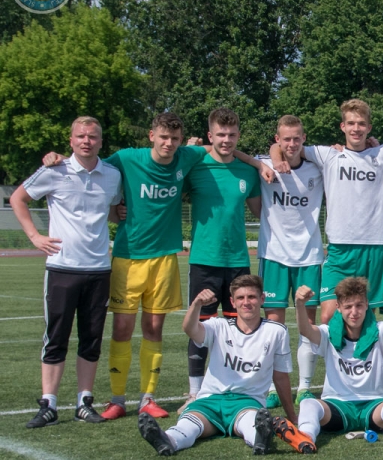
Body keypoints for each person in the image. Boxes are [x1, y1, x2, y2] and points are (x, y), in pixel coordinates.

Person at [42, 115, 273, 420]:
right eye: (163, 137)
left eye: (175, 139)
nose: (169, 144)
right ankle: (117, 399)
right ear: (151, 135)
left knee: (154, 328)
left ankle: (148, 397)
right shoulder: (127, 158)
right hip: (128, 255)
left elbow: (221, 148)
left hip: (165, 257)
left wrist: (259, 164)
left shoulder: (186, 156)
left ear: (181, 141)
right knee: (122, 328)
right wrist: (59, 158)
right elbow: (93, 165)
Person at [269, 99, 383, 326]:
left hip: (374, 248)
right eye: (351, 123)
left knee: (364, 317)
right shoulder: (327, 155)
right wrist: (276, 159)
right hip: (340, 248)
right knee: (329, 316)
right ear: (343, 127)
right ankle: (339, 362)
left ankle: (364, 362)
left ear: (369, 128)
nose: (356, 128)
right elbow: (284, 145)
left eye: (361, 124)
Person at [11, 117, 122, 427]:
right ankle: (49, 404)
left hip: (99, 269)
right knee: (56, 337)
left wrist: (119, 213)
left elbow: (112, 210)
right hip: (62, 268)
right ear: (71, 140)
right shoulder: (54, 170)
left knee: (91, 339)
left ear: (101, 142)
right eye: (81, 136)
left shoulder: (112, 175)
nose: (87, 141)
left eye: (93, 137)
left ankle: (84, 402)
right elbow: (18, 198)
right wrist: (34, 236)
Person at [138, 275, 295, 455]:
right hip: (210, 400)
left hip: (247, 401)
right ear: (232, 302)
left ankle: (260, 440)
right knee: (188, 424)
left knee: (249, 422)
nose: (246, 302)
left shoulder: (276, 331)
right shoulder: (218, 326)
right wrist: (197, 304)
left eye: (251, 297)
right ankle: (167, 440)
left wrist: (292, 417)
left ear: (262, 299)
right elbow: (190, 329)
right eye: (240, 298)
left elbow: (281, 376)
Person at [276, 277, 383, 454]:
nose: (354, 312)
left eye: (359, 305)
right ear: (338, 307)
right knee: (308, 403)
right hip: (338, 405)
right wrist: (300, 305)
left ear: (367, 304)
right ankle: (304, 438)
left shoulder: (378, 331)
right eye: (348, 306)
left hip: (375, 405)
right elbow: (305, 330)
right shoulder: (328, 333)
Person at [180, 108, 262, 412]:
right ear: (210, 135)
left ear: (238, 135)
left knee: (237, 328)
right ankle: (195, 393)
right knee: (201, 326)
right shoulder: (195, 165)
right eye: (220, 134)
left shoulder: (247, 171)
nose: (226, 140)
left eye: (231, 135)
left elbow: (261, 213)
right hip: (204, 258)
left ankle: (233, 388)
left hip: (238, 260)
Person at [256, 115, 324, 409]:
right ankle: (273, 387)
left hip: (309, 255)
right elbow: (240, 154)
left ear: (304, 138)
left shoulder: (317, 168)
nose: (292, 144)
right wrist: (270, 158)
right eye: (286, 139)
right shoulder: (265, 165)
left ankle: (305, 387)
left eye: (297, 138)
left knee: (308, 322)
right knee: (274, 324)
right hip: (273, 254)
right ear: (277, 139)